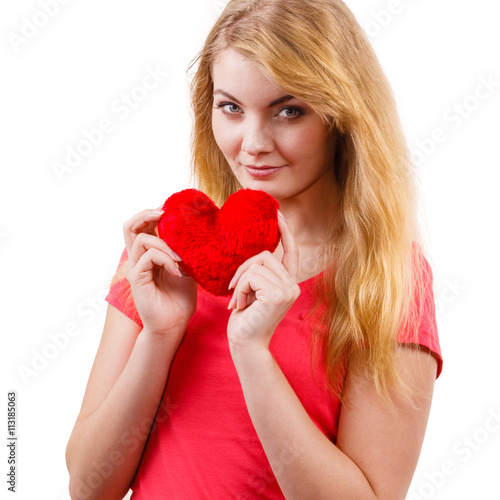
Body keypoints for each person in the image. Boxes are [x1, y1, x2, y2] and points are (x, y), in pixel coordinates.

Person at [66, 0, 443, 498]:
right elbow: (89, 487)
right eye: (231, 108)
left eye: (289, 111)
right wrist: (160, 336)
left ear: (343, 115)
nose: (253, 142)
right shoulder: (165, 252)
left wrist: (252, 352)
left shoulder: (387, 278)